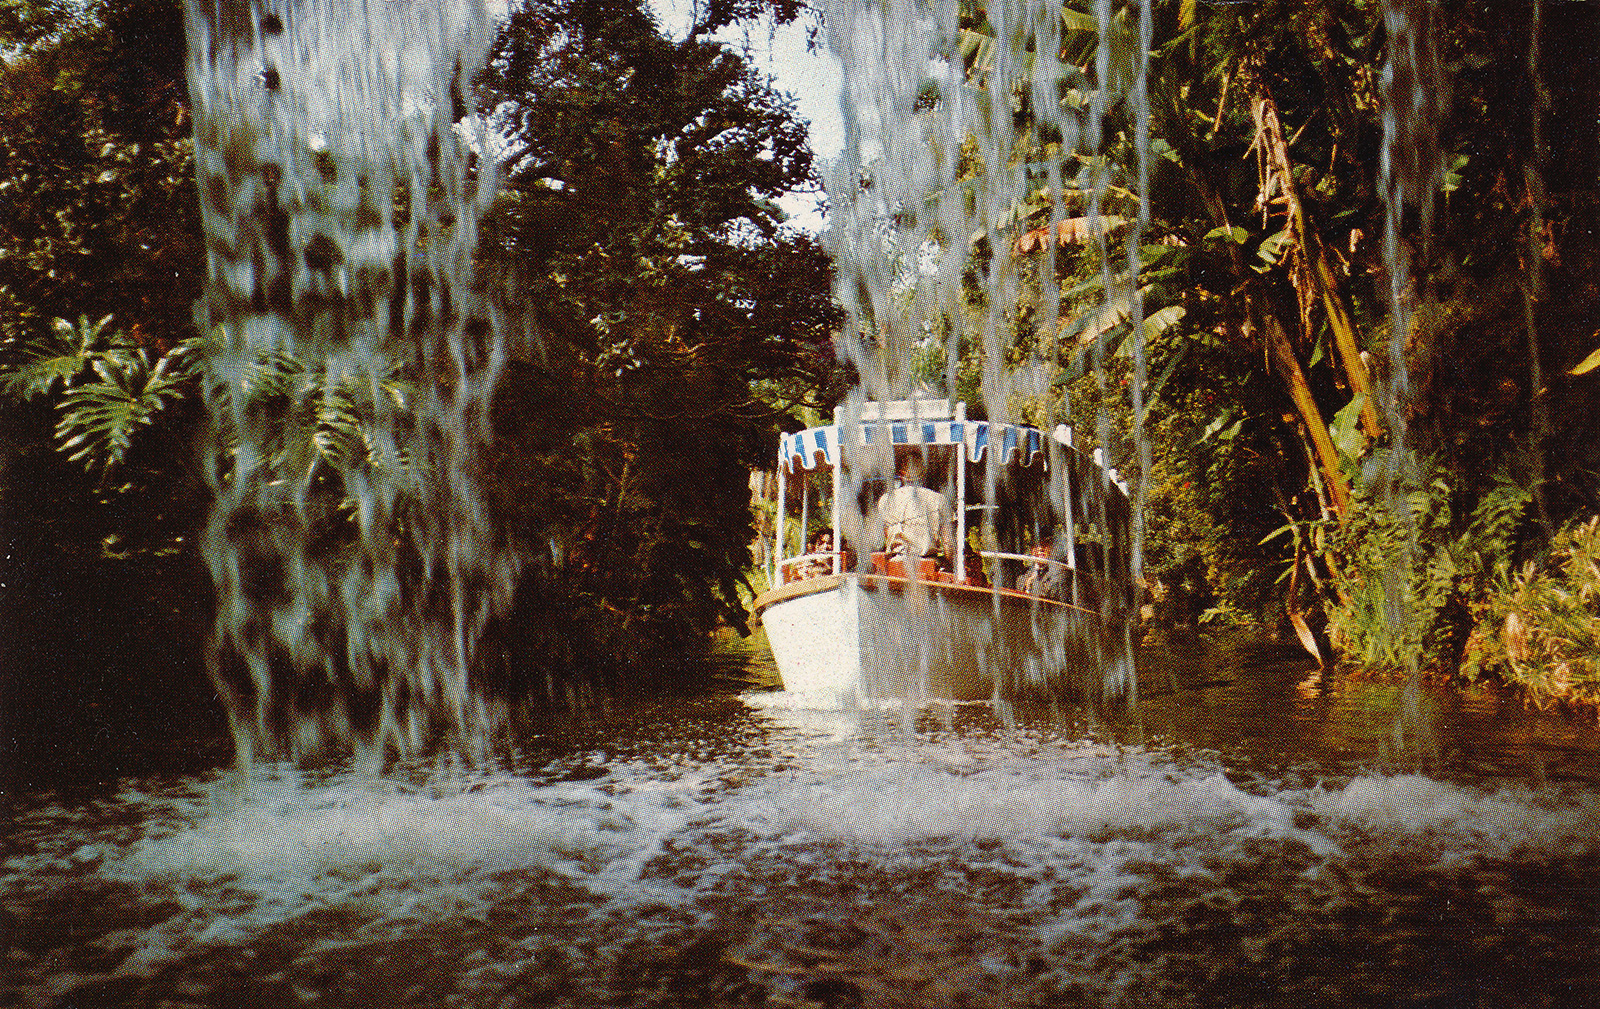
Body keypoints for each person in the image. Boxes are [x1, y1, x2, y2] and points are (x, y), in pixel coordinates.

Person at [877, 454, 952, 563]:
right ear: (924, 472)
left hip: (895, 564)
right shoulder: (939, 499)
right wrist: (953, 565)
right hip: (927, 565)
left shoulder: (885, 499)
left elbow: (886, 534)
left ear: (900, 473)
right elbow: (948, 544)